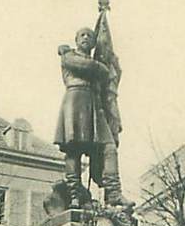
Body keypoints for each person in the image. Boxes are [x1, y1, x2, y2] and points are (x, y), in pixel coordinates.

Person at [54, 27, 134, 210]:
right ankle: (74, 195)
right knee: (74, 149)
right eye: (82, 35)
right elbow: (86, 67)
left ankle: (113, 193)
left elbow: (109, 75)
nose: (85, 38)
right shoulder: (68, 55)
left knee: (109, 147)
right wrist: (101, 68)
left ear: (93, 42)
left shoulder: (96, 61)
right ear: (76, 39)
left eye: (89, 36)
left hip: (95, 108)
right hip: (76, 102)